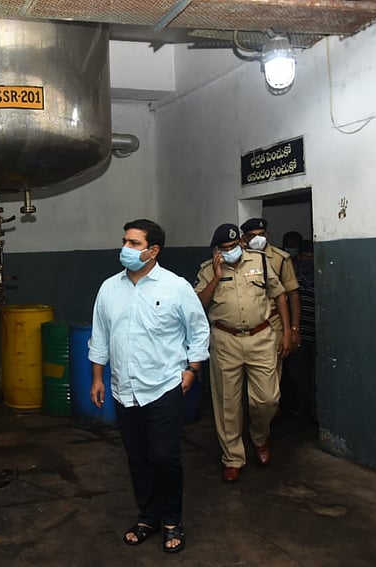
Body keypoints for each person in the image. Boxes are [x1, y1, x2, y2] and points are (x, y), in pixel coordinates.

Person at [88, 218, 210, 554]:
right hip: (122, 389)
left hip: (163, 386)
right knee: (137, 456)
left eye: (134, 243)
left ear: (153, 250)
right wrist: (98, 377)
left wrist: (193, 368)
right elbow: (100, 335)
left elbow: (198, 329)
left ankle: (172, 521)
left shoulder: (176, 287)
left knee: (164, 456)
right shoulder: (109, 288)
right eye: (124, 241)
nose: (125, 249)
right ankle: (148, 517)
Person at [195, 223, 291, 483]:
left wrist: (289, 332)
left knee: (267, 399)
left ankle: (260, 437)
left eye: (234, 246)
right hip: (225, 340)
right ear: (217, 251)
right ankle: (233, 458)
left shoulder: (259, 261)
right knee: (227, 403)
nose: (231, 252)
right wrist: (216, 276)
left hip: (261, 337)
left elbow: (279, 294)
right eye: (224, 249)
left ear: (241, 244)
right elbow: (198, 305)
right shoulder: (207, 270)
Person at [240, 218, 300, 380]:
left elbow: (293, 295)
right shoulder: (238, 258)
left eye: (261, 234)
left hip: (274, 322)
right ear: (244, 238)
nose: (258, 239)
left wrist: (293, 330)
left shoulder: (280, 259)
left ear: (267, 235)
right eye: (252, 236)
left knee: (269, 377)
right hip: (246, 324)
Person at [282, 239, 317, 417]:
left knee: (316, 375)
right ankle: (303, 405)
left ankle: (315, 410)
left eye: (312, 257)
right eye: (304, 257)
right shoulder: (293, 280)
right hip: (300, 335)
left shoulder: (323, 279)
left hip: (318, 337)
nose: (308, 260)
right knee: (296, 373)